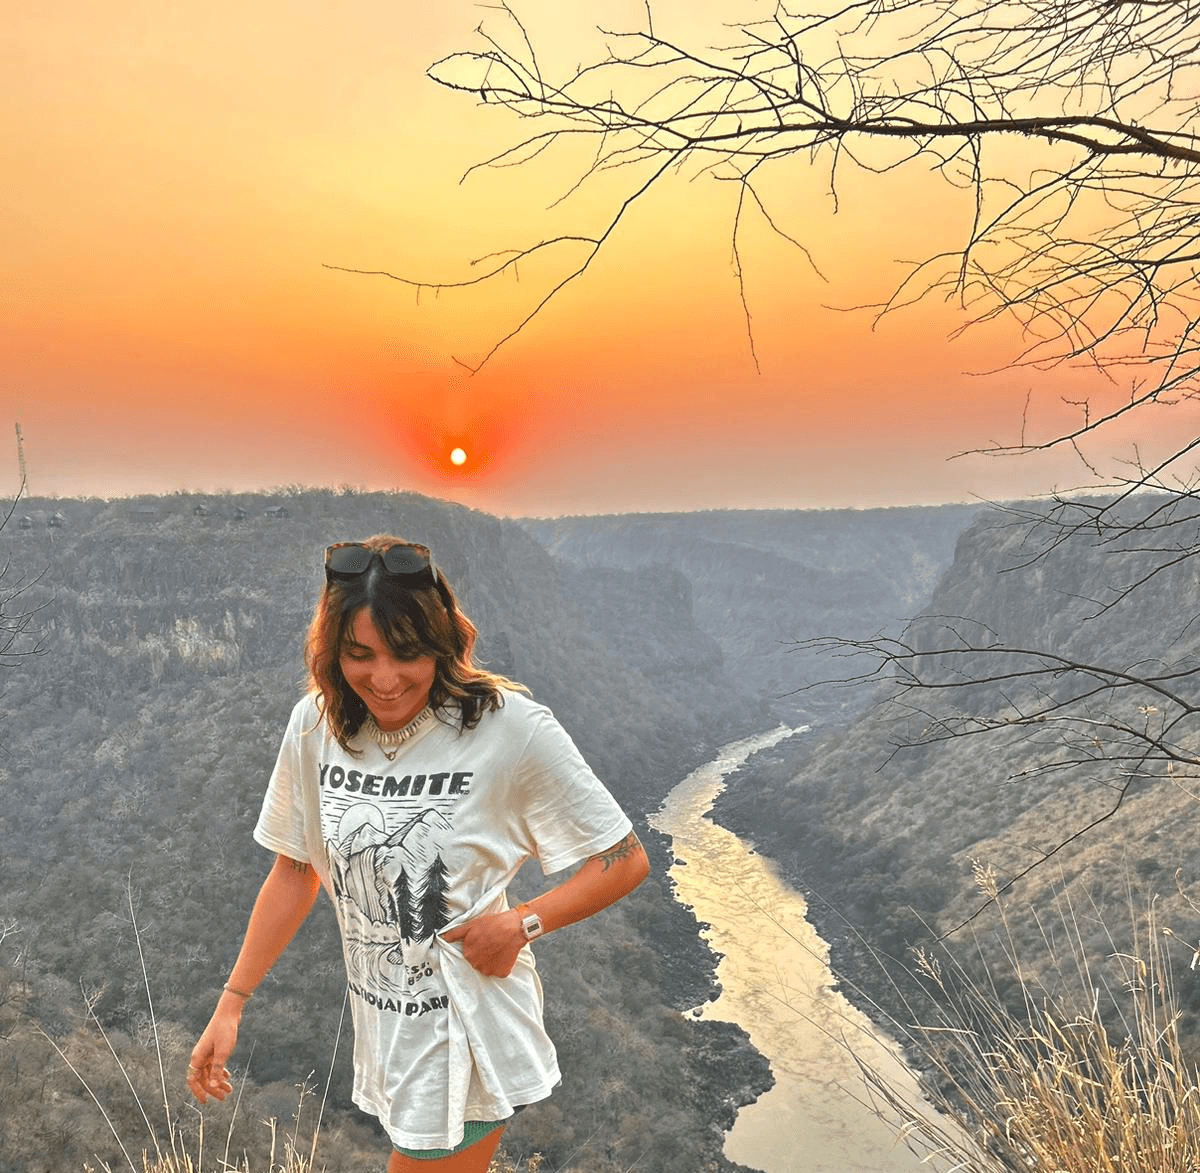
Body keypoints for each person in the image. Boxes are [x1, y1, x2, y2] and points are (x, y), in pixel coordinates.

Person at [187, 536, 650, 1172]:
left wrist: (522, 924)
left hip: (470, 1029)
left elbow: (624, 858)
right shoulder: (315, 726)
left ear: (442, 642)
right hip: (388, 1028)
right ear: (332, 653)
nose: (385, 679)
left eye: (407, 654)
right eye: (360, 655)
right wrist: (232, 1003)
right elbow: (295, 871)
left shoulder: (507, 727)